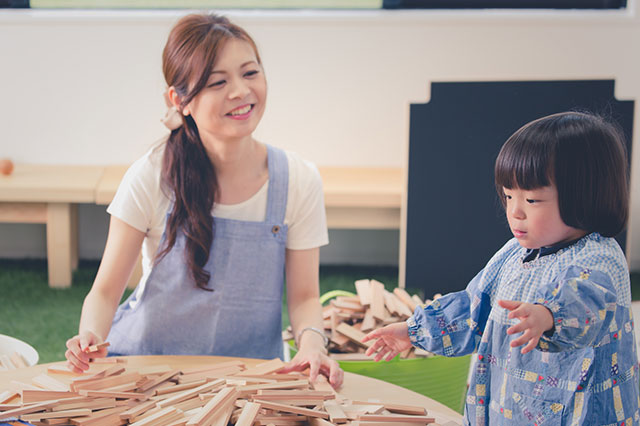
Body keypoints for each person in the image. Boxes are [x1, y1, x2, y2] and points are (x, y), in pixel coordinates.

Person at [64, 13, 343, 388]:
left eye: (250, 73)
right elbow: (104, 291)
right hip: (150, 378)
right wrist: (90, 337)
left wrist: (312, 344)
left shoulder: (298, 180)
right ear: (179, 100)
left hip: (252, 382)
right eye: (217, 82)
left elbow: (306, 296)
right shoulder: (151, 176)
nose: (241, 91)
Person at [363, 111, 639, 424]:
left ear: (586, 197)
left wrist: (547, 315)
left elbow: (587, 303)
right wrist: (415, 331)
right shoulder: (514, 253)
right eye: (508, 196)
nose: (515, 211)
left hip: (576, 410)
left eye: (532, 200)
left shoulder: (598, 258)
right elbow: (473, 306)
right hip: (509, 404)